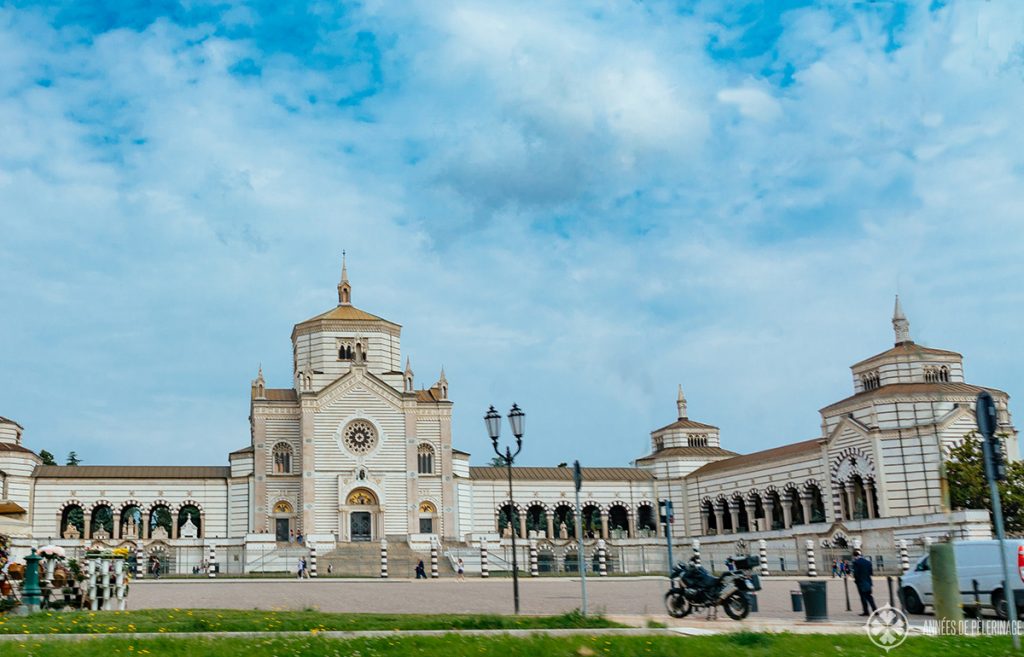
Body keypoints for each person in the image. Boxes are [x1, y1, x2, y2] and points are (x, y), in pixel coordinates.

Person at [852, 549, 877, 616]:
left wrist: (856, 580)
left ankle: (866, 611)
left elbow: (856, 574)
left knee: (863, 597)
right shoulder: (868, 562)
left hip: (860, 582)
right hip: (868, 581)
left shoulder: (856, 562)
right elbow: (871, 573)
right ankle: (875, 611)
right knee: (869, 596)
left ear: (854, 556)